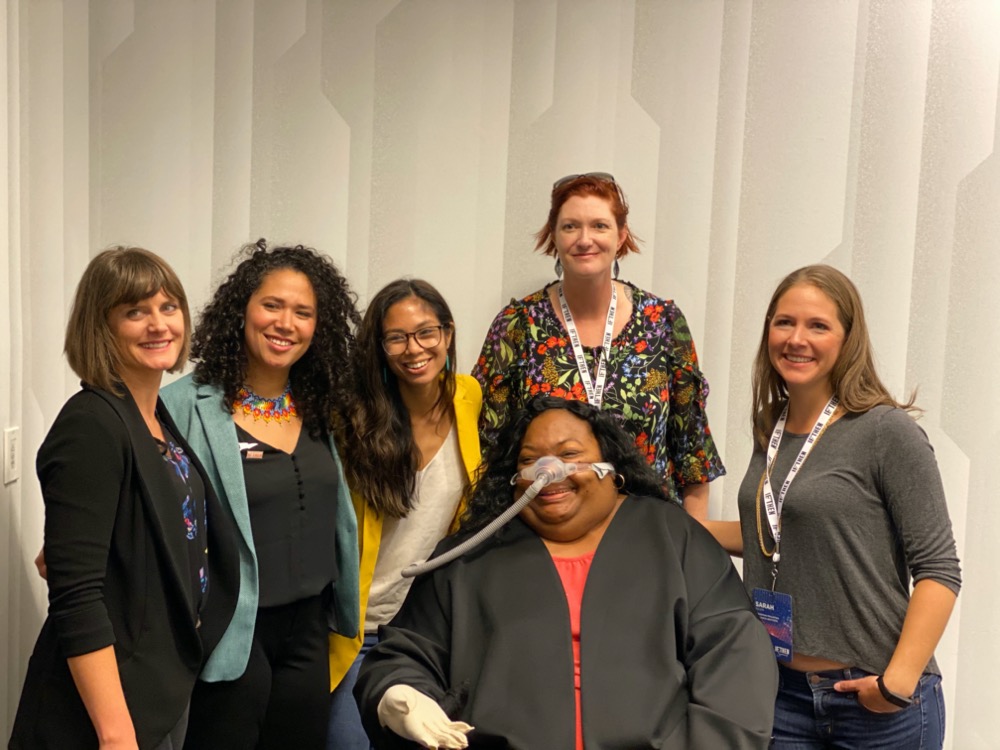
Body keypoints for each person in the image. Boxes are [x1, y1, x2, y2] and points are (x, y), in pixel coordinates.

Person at [354, 396, 777, 749]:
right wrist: (399, 694)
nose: (547, 472)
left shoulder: (672, 538)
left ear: (612, 468)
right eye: (530, 460)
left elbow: (734, 654)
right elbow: (403, 653)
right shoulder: (472, 557)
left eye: (569, 455)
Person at [719, 264, 961, 749]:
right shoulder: (771, 424)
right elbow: (772, 529)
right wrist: (663, 522)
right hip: (780, 695)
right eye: (784, 322)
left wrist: (896, 685)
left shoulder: (885, 431)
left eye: (818, 326)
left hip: (874, 702)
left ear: (848, 339)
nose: (796, 338)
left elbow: (939, 569)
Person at [10, 247, 239, 749]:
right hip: (106, 715)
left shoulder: (153, 416)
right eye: (135, 312)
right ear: (102, 326)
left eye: (168, 307)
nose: (159, 325)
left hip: (157, 692)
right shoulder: (91, 424)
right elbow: (78, 599)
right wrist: (116, 736)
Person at [160, 240, 361, 749]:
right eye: (272, 305)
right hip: (231, 629)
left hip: (309, 630)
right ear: (242, 310)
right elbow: (146, 489)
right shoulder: (185, 405)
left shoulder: (321, 403)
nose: (285, 323)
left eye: (303, 313)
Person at [473, 172, 723, 517]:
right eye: (571, 226)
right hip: (546, 536)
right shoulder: (518, 325)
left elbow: (692, 454)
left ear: (621, 236)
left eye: (600, 226)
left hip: (648, 533)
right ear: (554, 237)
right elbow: (489, 452)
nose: (584, 239)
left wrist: (693, 552)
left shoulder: (662, 322)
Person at [326, 279, 481, 749]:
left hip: (425, 633)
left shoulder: (469, 398)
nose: (414, 349)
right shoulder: (351, 418)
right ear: (379, 346)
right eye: (396, 337)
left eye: (426, 333)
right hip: (355, 631)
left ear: (447, 335)